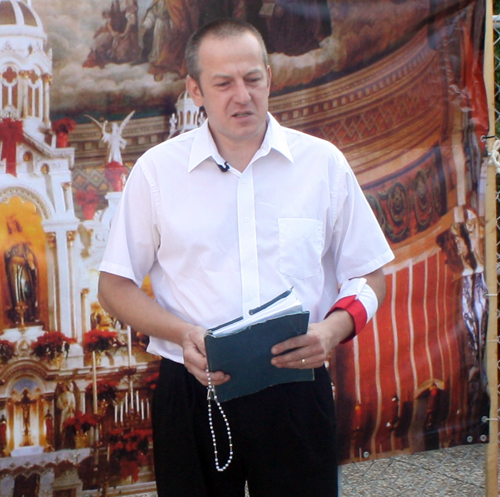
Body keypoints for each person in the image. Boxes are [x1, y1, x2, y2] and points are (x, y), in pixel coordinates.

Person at [98, 18, 394, 497]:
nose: (242, 95)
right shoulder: (157, 173)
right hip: (195, 391)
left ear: (269, 79)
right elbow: (114, 287)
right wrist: (183, 333)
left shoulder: (321, 164)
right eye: (223, 83)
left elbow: (370, 274)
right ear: (195, 90)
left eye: (253, 79)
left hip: (296, 387)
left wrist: (332, 330)